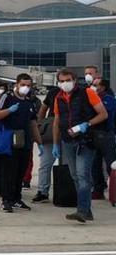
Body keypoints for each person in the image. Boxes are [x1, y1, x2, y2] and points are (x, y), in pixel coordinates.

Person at [53, 68, 109, 223]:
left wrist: (87, 124)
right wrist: (56, 144)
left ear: (74, 80)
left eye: (68, 80)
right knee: (75, 177)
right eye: (62, 81)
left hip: (86, 140)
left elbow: (103, 114)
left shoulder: (87, 93)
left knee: (83, 175)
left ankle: (82, 210)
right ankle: (86, 210)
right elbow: (57, 121)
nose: (65, 84)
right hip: (67, 141)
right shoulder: (59, 98)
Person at [0, 73, 42, 212]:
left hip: (24, 141)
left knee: (20, 171)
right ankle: (6, 199)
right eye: (23, 85)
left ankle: (16, 198)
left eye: (28, 85)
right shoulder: (7, 97)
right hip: (9, 139)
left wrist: (39, 142)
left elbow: (33, 123)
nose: (26, 88)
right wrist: (9, 110)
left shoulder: (29, 102)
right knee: (8, 171)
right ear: (16, 85)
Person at [32, 86, 60, 203]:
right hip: (51, 130)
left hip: (69, 131)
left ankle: (69, 191)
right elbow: (43, 109)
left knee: (70, 165)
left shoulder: (79, 93)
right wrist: (40, 125)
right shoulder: (54, 92)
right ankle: (43, 191)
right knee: (45, 163)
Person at [90, 78, 116, 199]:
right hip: (94, 134)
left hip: (106, 135)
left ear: (103, 87)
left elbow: (105, 114)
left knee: (111, 164)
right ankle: (98, 189)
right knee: (95, 164)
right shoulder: (91, 99)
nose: (94, 87)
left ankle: (113, 190)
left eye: (96, 85)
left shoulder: (109, 100)